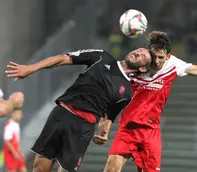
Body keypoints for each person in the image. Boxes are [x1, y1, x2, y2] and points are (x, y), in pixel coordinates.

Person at [93, 25, 197, 172]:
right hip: (127, 129)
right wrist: (104, 126)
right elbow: (112, 93)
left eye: (162, 57)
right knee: (111, 169)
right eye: (154, 57)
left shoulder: (173, 64)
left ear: (167, 56)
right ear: (149, 53)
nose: (158, 61)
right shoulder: (135, 64)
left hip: (150, 131)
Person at [6, 48, 155, 172]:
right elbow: (63, 59)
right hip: (61, 113)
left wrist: (104, 133)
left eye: (143, 56)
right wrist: (30, 68)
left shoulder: (127, 93)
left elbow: (109, 117)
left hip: (82, 127)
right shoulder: (101, 56)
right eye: (139, 50)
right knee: (39, 167)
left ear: (142, 68)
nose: (139, 52)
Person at [3, 92, 27, 172]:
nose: (20, 116)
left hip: (16, 151)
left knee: (23, 168)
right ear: (13, 114)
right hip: (10, 153)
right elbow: (7, 141)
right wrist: (14, 153)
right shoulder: (9, 125)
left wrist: (19, 152)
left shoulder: (16, 125)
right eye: (18, 114)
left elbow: (17, 141)